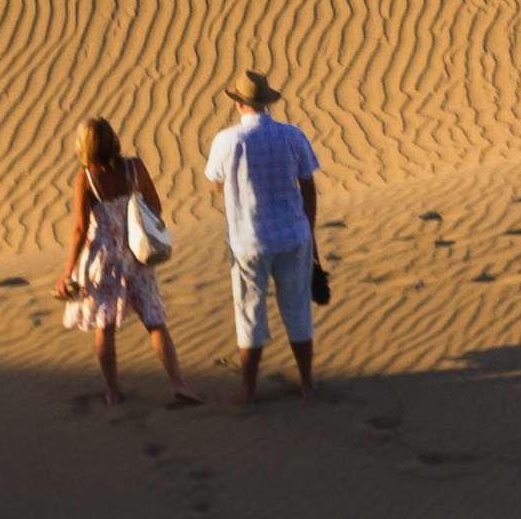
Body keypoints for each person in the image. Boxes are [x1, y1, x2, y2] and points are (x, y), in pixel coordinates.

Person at [54, 116, 199, 409]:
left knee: (103, 327)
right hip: (138, 256)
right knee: (155, 322)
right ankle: (178, 383)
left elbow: (80, 228)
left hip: (103, 260)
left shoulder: (87, 179)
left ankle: (113, 391)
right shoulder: (135, 167)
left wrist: (68, 271)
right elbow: (155, 205)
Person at [201, 67, 326, 406]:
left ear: (240, 104)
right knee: (298, 311)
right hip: (293, 235)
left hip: (249, 243)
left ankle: (249, 391)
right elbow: (309, 187)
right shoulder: (292, 135)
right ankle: (307, 384)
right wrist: (309, 229)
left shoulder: (227, 140)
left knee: (249, 314)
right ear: (267, 102)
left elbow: (215, 183)